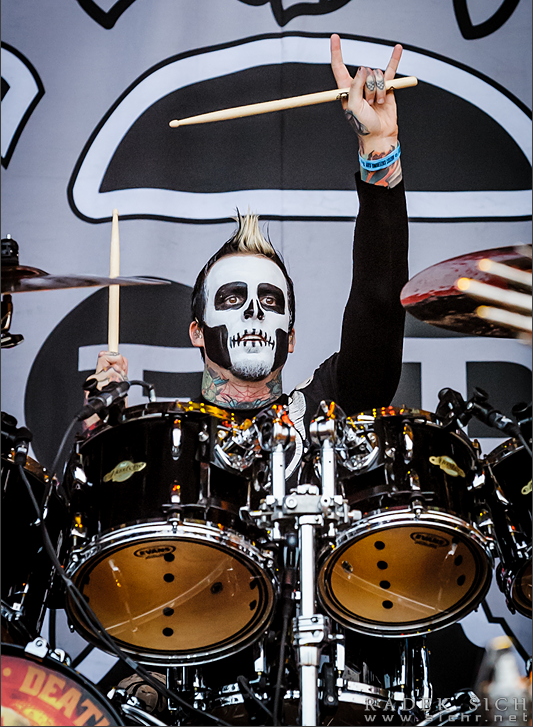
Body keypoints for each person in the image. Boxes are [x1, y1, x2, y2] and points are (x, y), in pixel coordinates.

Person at [86, 34, 409, 487]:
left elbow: (379, 305)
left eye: (271, 301)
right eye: (233, 297)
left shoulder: (327, 409)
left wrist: (378, 150)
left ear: (291, 338)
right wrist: (102, 436)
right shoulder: (162, 444)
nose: (255, 311)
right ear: (196, 332)